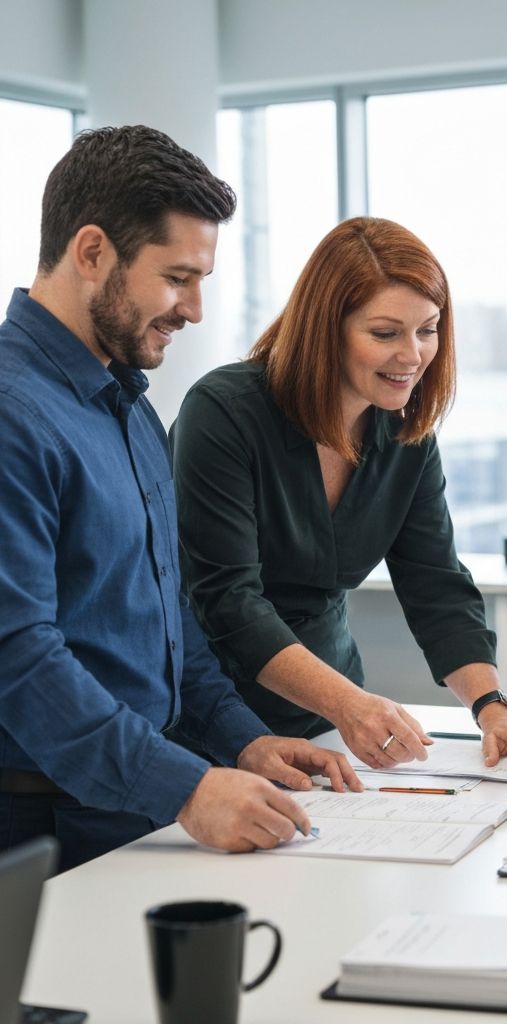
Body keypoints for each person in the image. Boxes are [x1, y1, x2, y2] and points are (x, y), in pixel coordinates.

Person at [0, 126, 360, 872]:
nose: (194, 309)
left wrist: (238, 737)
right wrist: (187, 788)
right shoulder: (11, 414)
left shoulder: (128, 406)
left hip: (134, 807)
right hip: (40, 831)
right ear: (92, 252)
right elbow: (17, 657)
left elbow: (170, 623)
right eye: (177, 277)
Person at [171, 217, 507, 774]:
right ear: (324, 330)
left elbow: (436, 586)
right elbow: (228, 601)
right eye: (385, 334)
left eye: (428, 330)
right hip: (214, 721)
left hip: (330, 720)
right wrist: (349, 705)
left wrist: (494, 711)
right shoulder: (224, 412)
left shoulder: (405, 432)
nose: (412, 355)